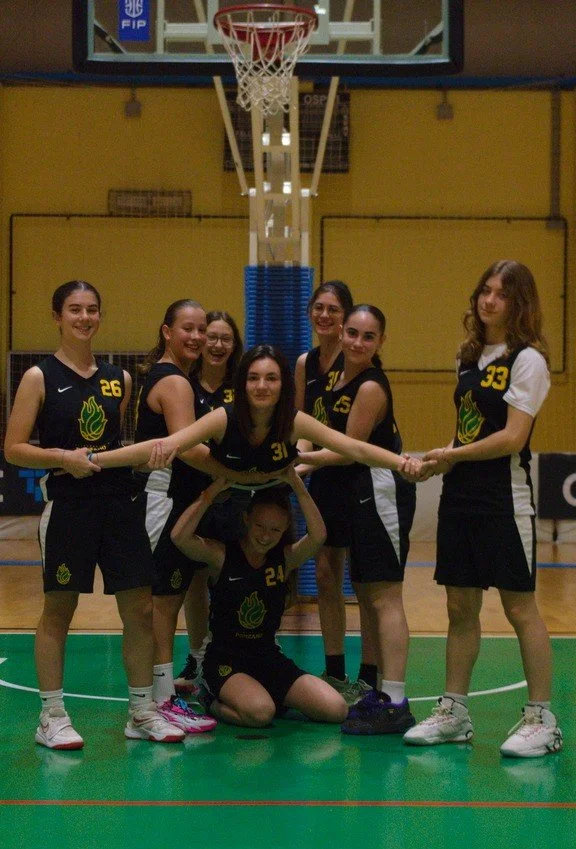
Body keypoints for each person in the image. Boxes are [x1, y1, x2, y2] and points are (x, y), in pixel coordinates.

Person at [3, 280, 185, 748]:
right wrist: (62, 458)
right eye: (74, 309)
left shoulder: (119, 379)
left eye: (92, 310)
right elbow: (14, 448)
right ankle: (52, 716)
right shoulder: (38, 377)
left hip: (120, 507)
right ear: (57, 316)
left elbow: (116, 445)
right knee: (59, 609)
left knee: (140, 608)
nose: (84, 317)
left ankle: (142, 711)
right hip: (69, 509)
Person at [403, 260, 563, 758]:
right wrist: (439, 460)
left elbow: (512, 437)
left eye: (502, 293)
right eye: (485, 291)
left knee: (520, 608)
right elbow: (468, 430)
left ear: (520, 303)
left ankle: (542, 719)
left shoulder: (528, 360)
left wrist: (453, 454)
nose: (489, 300)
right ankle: (454, 712)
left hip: (503, 498)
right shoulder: (468, 356)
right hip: (460, 497)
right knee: (459, 607)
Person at [297, 305, 417, 735]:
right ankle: (380, 692)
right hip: (356, 491)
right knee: (367, 593)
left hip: (379, 488)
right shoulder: (334, 377)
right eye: (352, 333)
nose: (357, 342)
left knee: (384, 596)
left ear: (380, 341)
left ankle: (394, 699)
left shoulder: (370, 386)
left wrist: (300, 463)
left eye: (368, 336)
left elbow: (349, 449)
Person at [89, 344, 422, 489]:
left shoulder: (293, 421)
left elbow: (355, 448)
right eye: (253, 378)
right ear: (242, 383)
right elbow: (164, 444)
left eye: (271, 378)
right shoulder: (223, 418)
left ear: (283, 384)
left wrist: (403, 463)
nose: (262, 386)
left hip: (271, 514)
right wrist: (94, 459)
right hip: (224, 503)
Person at [169, 466, 348, 726]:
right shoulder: (222, 556)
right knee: (261, 713)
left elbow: (318, 535)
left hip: (267, 658)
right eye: (259, 526)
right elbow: (179, 537)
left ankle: (265, 695)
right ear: (246, 519)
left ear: (285, 529)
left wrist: (297, 484)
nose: (265, 536)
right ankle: (209, 699)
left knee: (336, 709)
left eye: (275, 530)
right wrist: (212, 491)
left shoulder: (285, 559)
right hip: (225, 661)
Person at [131, 299, 218, 733]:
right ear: (167, 332)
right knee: (160, 605)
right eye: (188, 328)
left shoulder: (173, 377)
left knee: (165, 602)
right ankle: (160, 701)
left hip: (170, 501)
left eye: (202, 329)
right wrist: (240, 468)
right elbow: (189, 448)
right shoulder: (175, 382)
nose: (197, 337)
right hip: (160, 501)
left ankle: (160, 696)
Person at [295, 281, 377, 705]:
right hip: (324, 476)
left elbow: (354, 445)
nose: (324, 315)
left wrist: (308, 461)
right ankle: (335, 670)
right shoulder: (306, 363)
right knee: (327, 575)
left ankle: (371, 675)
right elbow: (302, 422)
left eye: (333, 309)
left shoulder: (360, 362)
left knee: (366, 584)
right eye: (319, 307)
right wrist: (298, 459)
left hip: (360, 478)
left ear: (346, 317)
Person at [174, 310, 244, 695]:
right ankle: (198, 657)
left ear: (235, 345)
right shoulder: (183, 385)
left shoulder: (244, 386)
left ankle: (235, 653)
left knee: (232, 575)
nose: (217, 344)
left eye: (225, 338)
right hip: (193, 495)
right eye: (211, 337)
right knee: (194, 581)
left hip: (236, 497)